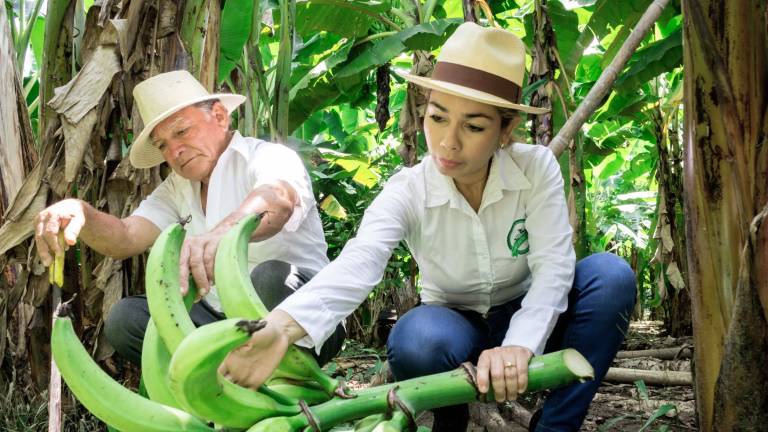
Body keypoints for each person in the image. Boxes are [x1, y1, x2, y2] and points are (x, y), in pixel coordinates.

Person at [219, 22, 636, 432]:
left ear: (506, 130)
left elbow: (554, 268)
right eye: (437, 117)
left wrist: (518, 344)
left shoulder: (536, 168)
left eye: (473, 126)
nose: (447, 142)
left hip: (523, 306)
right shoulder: (408, 189)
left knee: (610, 276)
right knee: (417, 339)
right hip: (453, 323)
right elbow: (359, 263)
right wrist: (280, 328)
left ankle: (556, 426)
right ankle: (448, 419)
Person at [34, 70, 344, 366]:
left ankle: (286, 377)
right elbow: (126, 237)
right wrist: (81, 212)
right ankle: (222, 387)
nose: (175, 151)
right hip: (223, 322)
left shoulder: (268, 157)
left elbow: (278, 201)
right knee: (126, 320)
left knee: (268, 277)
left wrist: (221, 235)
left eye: (182, 131)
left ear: (220, 117)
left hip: (301, 313)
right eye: (163, 145)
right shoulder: (176, 189)